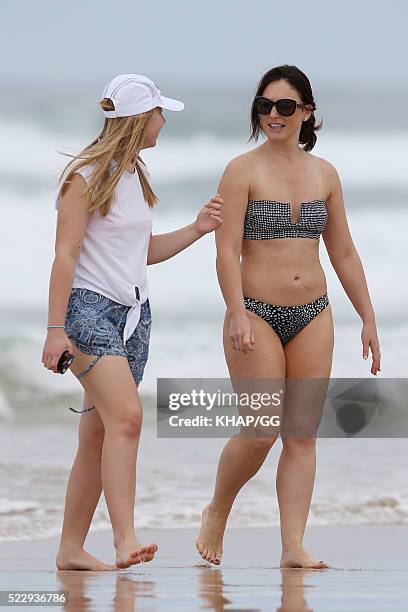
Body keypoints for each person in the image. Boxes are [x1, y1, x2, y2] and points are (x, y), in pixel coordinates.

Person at [196, 64, 381, 568]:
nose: (273, 116)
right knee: (261, 429)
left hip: (314, 313)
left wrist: (367, 316)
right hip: (254, 311)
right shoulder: (242, 169)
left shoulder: (325, 174)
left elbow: (343, 251)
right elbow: (225, 248)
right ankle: (218, 510)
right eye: (265, 106)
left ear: (307, 112)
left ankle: (292, 546)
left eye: (284, 106)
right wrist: (235, 310)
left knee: (301, 434)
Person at [41, 74, 223, 571]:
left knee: (97, 434)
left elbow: (141, 254)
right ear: (141, 118)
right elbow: (65, 255)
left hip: (133, 316)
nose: (164, 121)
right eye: (160, 113)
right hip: (88, 311)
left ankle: (70, 549)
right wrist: (55, 330)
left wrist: (198, 228)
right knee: (128, 419)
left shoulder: (132, 175)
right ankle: (125, 539)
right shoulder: (85, 176)